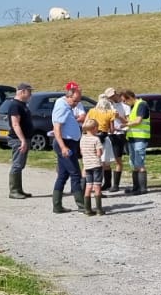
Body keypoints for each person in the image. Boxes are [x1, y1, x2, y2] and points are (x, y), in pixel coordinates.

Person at [50, 81, 85, 213]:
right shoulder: (62, 106)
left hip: (70, 143)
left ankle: (57, 205)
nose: (76, 104)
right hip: (65, 144)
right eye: (75, 101)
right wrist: (63, 147)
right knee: (75, 173)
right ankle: (82, 205)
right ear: (69, 96)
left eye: (78, 101)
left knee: (63, 175)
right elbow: (57, 128)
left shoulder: (66, 106)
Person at [1, 83, 33, 199]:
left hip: (24, 138)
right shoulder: (15, 106)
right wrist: (22, 140)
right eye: (29, 91)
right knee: (17, 164)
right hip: (18, 140)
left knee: (21, 164)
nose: (31, 94)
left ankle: (19, 189)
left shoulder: (23, 105)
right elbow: (15, 124)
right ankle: (14, 191)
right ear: (22, 91)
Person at [87, 90, 123, 193]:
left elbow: (86, 124)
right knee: (105, 162)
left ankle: (92, 184)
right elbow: (111, 130)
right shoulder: (110, 113)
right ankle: (107, 183)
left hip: (92, 137)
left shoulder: (92, 111)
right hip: (104, 137)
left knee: (94, 162)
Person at [121, 89, 151, 195]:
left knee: (139, 162)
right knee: (133, 163)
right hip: (133, 138)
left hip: (140, 138)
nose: (124, 103)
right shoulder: (133, 107)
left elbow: (138, 121)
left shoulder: (141, 105)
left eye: (125, 100)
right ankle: (136, 186)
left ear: (130, 97)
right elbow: (131, 120)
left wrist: (126, 125)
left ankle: (142, 188)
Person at [79, 117, 107, 216]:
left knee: (88, 186)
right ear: (94, 128)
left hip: (87, 165)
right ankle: (99, 209)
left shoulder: (82, 139)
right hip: (96, 164)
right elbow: (99, 153)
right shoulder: (96, 139)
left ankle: (87, 209)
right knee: (97, 186)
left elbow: (82, 152)